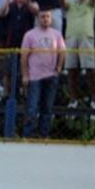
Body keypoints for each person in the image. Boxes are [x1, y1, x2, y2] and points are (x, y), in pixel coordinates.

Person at [20, 9, 65, 138]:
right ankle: (28, 135)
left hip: (51, 75)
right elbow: (24, 57)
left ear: (51, 18)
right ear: (38, 19)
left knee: (47, 107)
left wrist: (59, 67)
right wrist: (25, 75)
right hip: (34, 76)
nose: (45, 19)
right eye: (42, 16)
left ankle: (43, 134)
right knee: (32, 107)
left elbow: (62, 51)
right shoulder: (29, 35)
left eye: (47, 16)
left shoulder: (57, 34)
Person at [63, 0, 95, 109]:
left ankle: (94, 98)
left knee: (90, 69)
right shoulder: (70, 3)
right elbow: (61, 3)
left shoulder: (91, 4)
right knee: (72, 70)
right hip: (71, 37)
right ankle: (73, 99)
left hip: (86, 38)